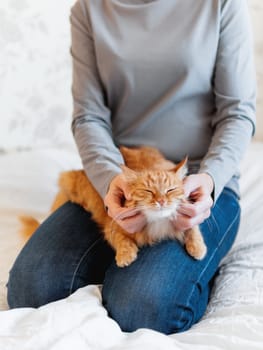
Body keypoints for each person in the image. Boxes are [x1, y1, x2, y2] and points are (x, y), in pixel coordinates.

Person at [7, 0, 256, 335]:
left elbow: (238, 113)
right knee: (32, 288)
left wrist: (210, 180)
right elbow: (88, 116)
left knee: (143, 307)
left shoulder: (221, 5)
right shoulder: (89, 10)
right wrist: (111, 180)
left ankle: (185, 272)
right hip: (121, 179)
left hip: (196, 179)